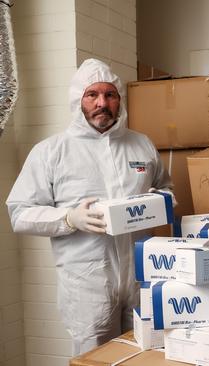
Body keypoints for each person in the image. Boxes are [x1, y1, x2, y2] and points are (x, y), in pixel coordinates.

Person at [5, 58, 173, 355]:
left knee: (145, 354)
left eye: (110, 95)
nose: (102, 102)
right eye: (92, 94)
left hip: (140, 277)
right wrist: (68, 218)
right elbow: (19, 212)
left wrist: (162, 200)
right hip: (88, 284)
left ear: (119, 100)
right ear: (78, 100)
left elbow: (165, 189)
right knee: (94, 358)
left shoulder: (141, 145)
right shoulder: (51, 152)